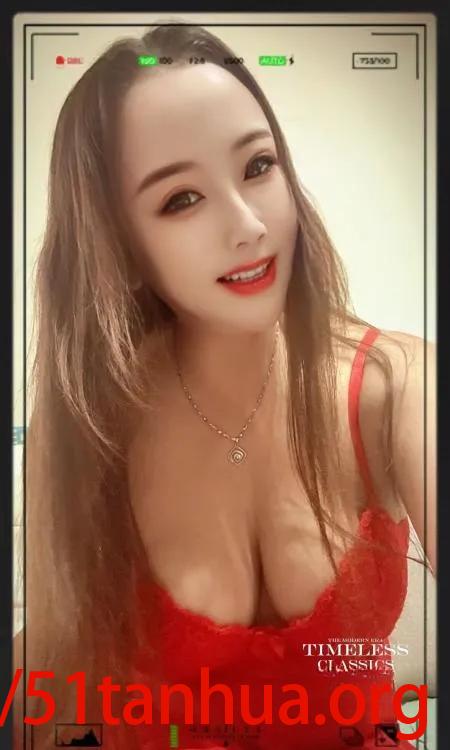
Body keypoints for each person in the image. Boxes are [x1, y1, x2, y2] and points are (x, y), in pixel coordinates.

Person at [15, 20, 436, 750]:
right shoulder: (94, 420)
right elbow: (53, 674)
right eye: (181, 199)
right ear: (120, 245)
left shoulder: (396, 385)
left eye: (258, 165)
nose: (249, 226)